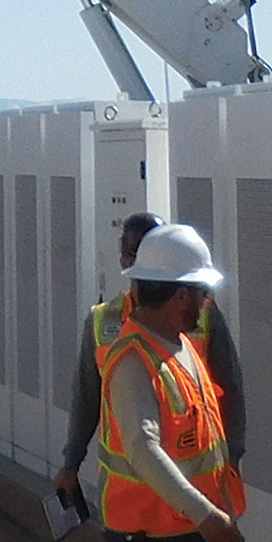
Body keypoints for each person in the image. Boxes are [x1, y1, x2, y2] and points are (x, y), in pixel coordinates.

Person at [53, 213, 245, 502]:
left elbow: (230, 390)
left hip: (196, 498)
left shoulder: (203, 315)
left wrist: (232, 460)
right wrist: (70, 465)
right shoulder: (102, 322)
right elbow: (86, 399)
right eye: (131, 254)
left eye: (145, 253)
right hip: (132, 505)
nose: (137, 263)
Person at [99, 223, 245, 542]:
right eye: (202, 292)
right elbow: (143, 450)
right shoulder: (134, 361)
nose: (205, 302)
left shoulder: (178, 347)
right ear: (182, 296)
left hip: (195, 537)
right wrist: (208, 517)